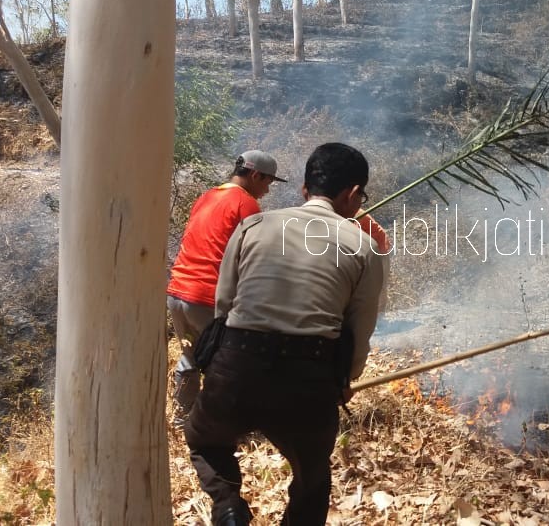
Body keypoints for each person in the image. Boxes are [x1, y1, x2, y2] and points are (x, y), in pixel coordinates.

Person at [185, 143, 387, 526]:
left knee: (205, 440)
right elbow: (360, 327)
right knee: (312, 480)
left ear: (304, 190)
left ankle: (228, 507)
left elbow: (225, 306)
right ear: (353, 195)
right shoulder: (364, 246)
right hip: (308, 377)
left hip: (237, 364)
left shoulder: (255, 225)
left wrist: (223, 365)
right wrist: (348, 379)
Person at [166, 150, 286, 422]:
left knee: (191, 358)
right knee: (229, 363)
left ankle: (183, 419)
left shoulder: (207, 197)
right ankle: (224, 424)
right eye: (267, 182)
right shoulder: (246, 204)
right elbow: (254, 258)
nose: (267, 190)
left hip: (177, 292)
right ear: (255, 175)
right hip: (209, 296)